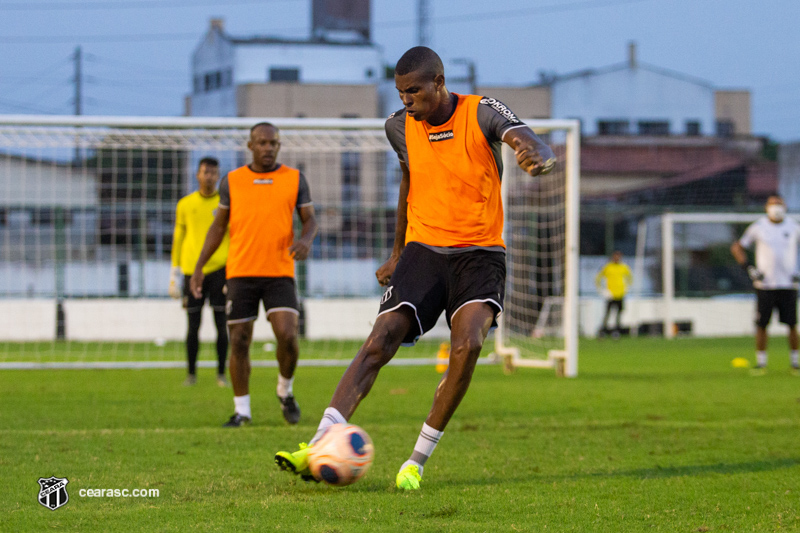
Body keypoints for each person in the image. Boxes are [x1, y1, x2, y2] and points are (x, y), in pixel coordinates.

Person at [274, 46, 556, 489]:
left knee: (467, 346)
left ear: (438, 84)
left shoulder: (479, 111)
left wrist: (533, 152)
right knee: (379, 340)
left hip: (480, 254)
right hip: (423, 249)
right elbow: (409, 181)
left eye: (414, 91)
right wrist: (396, 252)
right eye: (401, 92)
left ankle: (416, 461)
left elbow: (523, 135)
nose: (406, 100)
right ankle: (318, 444)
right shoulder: (399, 126)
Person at [190, 123, 318, 427]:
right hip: (241, 274)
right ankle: (242, 411)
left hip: (279, 272)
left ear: (278, 145)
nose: (268, 148)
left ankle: (285, 391)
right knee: (240, 341)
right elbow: (218, 227)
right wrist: (198, 268)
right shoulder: (232, 181)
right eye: (262, 143)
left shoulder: (295, 179)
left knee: (287, 335)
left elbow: (310, 219)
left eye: (273, 143)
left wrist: (305, 240)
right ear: (250, 145)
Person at [170, 157, 230, 387]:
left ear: (218, 175)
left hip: (219, 271)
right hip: (191, 272)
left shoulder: (224, 205)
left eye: (213, 173)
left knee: (221, 323)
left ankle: (221, 374)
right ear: (197, 175)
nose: (209, 176)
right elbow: (179, 238)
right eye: (205, 172)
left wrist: (231, 271)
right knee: (193, 325)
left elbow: (233, 238)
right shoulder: (185, 204)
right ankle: (191, 374)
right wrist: (174, 272)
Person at [731, 195, 800, 375]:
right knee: (762, 324)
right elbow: (737, 247)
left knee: (792, 324)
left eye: (779, 204)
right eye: (773, 204)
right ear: (766, 207)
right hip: (765, 285)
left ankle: (795, 363)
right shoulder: (759, 227)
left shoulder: (794, 226)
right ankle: (761, 363)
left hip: (788, 284)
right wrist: (749, 268)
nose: (776, 207)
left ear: (785, 206)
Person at [595, 251, 632, 338]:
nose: (617, 258)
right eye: (615, 256)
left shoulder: (624, 267)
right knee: (607, 313)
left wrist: (626, 288)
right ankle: (603, 331)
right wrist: (603, 290)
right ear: (613, 257)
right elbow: (598, 278)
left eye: (618, 257)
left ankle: (616, 332)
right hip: (610, 295)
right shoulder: (608, 267)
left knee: (618, 314)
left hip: (620, 295)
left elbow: (630, 278)